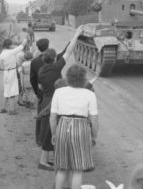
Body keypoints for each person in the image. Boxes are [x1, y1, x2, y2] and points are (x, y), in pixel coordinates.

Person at [37, 26, 85, 170]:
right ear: (54, 59)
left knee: (48, 130)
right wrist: (77, 34)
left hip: (45, 99)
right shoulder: (56, 68)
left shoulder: (41, 70)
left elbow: (40, 87)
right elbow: (69, 51)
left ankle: (47, 160)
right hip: (54, 102)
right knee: (52, 131)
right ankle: (43, 162)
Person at [50, 64, 99, 189]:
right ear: (84, 78)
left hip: (62, 125)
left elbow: (52, 117)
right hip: (81, 127)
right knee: (77, 170)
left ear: (68, 78)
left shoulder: (58, 92)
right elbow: (94, 119)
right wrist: (94, 136)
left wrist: (54, 134)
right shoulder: (89, 94)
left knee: (62, 168)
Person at [0, 38, 27, 115]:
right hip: (12, 72)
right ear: (10, 45)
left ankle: (4, 108)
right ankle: (11, 110)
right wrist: (25, 40)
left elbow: (1, 67)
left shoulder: (1, 54)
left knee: (7, 89)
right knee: (12, 91)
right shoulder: (11, 52)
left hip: (5, 72)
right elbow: (22, 46)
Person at [30, 38, 50, 145]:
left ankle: (39, 138)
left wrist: (37, 93)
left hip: (41, 91)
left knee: (40, 114)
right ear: (48, 46)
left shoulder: (34, 61)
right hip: (52, 91)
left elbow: (32, 79)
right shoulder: (53, 59)